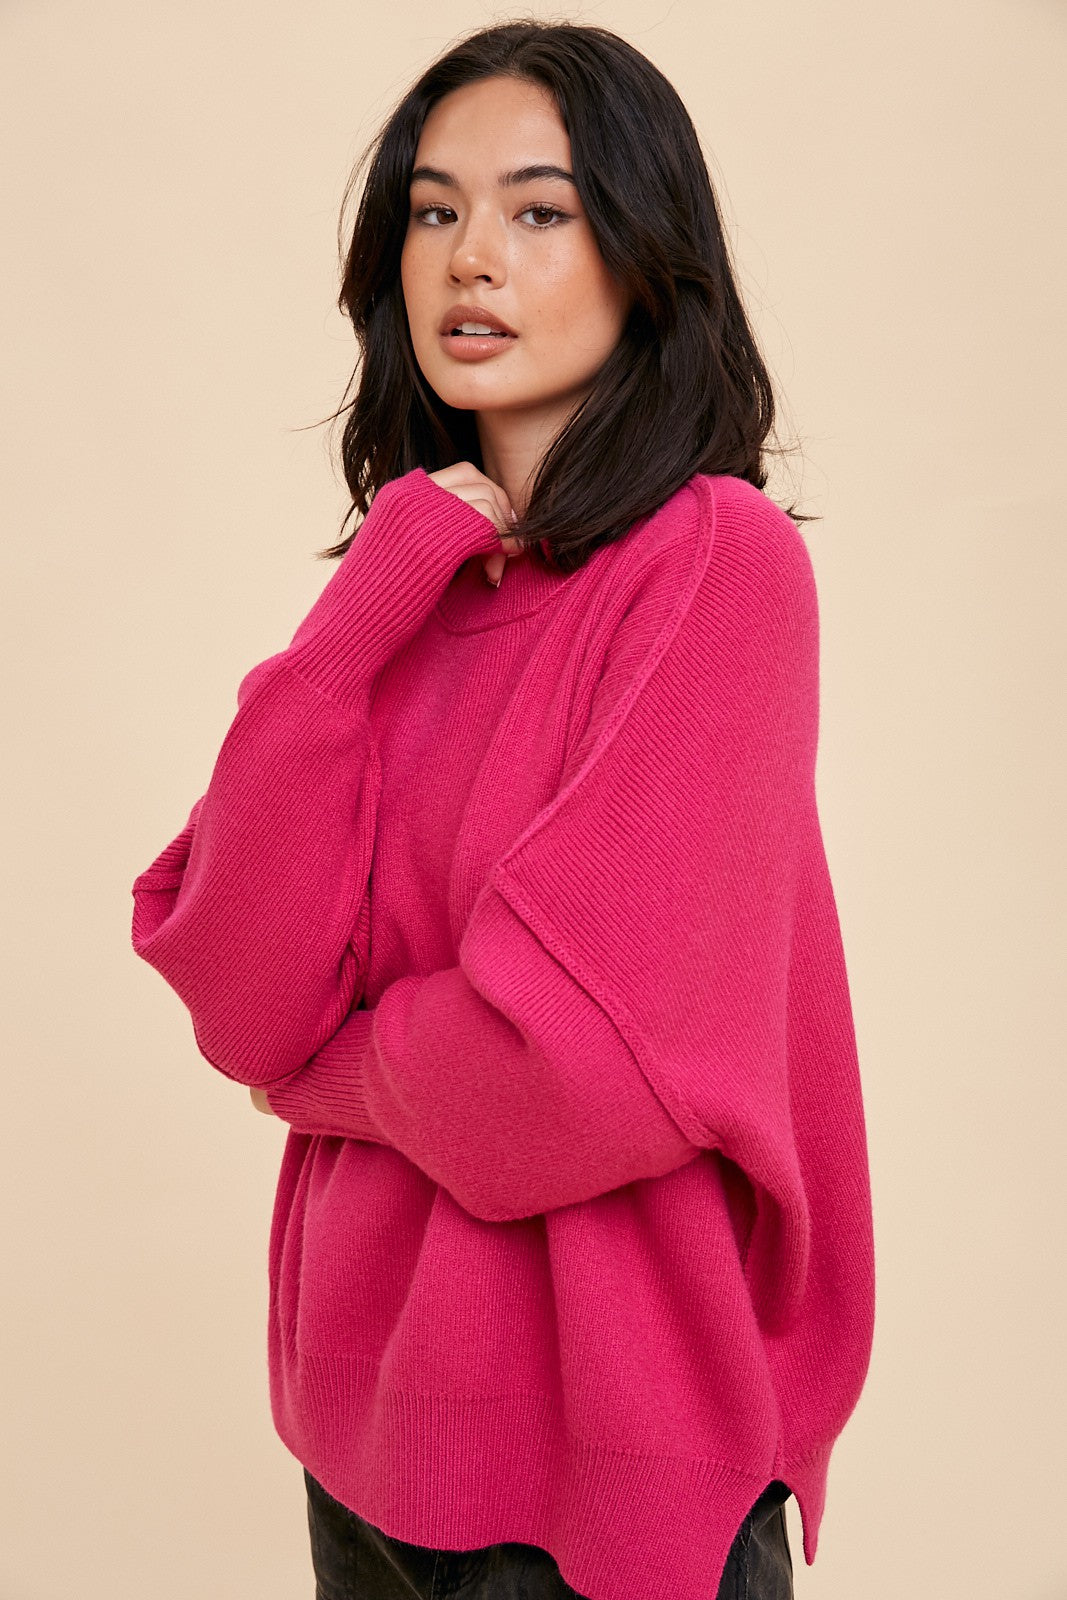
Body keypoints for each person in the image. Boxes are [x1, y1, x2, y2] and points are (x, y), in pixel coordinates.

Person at [130, 19, 875, 1600]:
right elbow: (243, 995)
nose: (472, 257)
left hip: (612, 1479)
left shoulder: (717, 567)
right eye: (434, 209)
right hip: (359, 1454)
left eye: (541, 210)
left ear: (645, 257)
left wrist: (328, 1077)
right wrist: (358, 621)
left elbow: (562, 1074)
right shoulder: (401, 605)